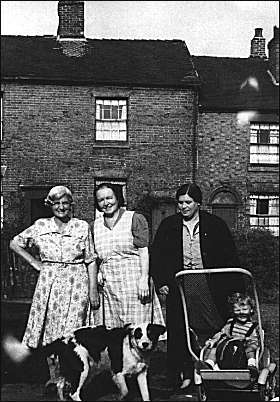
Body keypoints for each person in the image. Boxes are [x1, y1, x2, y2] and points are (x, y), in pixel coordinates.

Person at [150, 182, 243, 391]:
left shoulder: (215, 225)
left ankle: (217, 365)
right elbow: (158, 256)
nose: (184, 207)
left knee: (213, 323)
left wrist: (235, 288)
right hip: (181, 283)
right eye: (180, 203)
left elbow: (229, 255)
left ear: (198, 203)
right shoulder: (169, 225)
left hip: (209, 282)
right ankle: (181, 374)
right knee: (179, 327)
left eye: (188, 202)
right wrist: (162, 281)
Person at [9, 185, 99, 388]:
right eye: (56, 203)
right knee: (50, 331)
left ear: (71, 205)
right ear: (50, 205)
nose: (61, 207)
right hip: (49, 286)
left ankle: (72, 378)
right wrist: (34, 263)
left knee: (73, 331)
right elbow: (15, 243)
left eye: (65, 203)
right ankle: (54, 375)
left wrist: (93, 290)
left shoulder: (81, 227)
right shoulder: (40, 226)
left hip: (77, 284)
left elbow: (91, 260)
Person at [90, 182, 165, 329]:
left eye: (109, 198)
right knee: (115, 334)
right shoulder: (95, 226)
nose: (106, 203)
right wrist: (98, 271)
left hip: (134, 282)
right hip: (110, 285)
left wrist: (144, 279)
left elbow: (144, 251)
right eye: (101, 200)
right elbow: (95, 256)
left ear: (117, 198)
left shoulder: (134, 219)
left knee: (137, 330)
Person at [196, 292, 259, 381]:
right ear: (233, 311)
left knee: (250, 350)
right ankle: (209, 364)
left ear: (251, 310)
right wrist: (213, 341)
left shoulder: (252, 326)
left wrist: (245, 339)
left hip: (243, 350)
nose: (241, 313)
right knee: (214, 349)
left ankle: (251, 365)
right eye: (237, 310)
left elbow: (254, 340)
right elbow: (221, 333)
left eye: (244, 309)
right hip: (228, 350)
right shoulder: (231, 323)